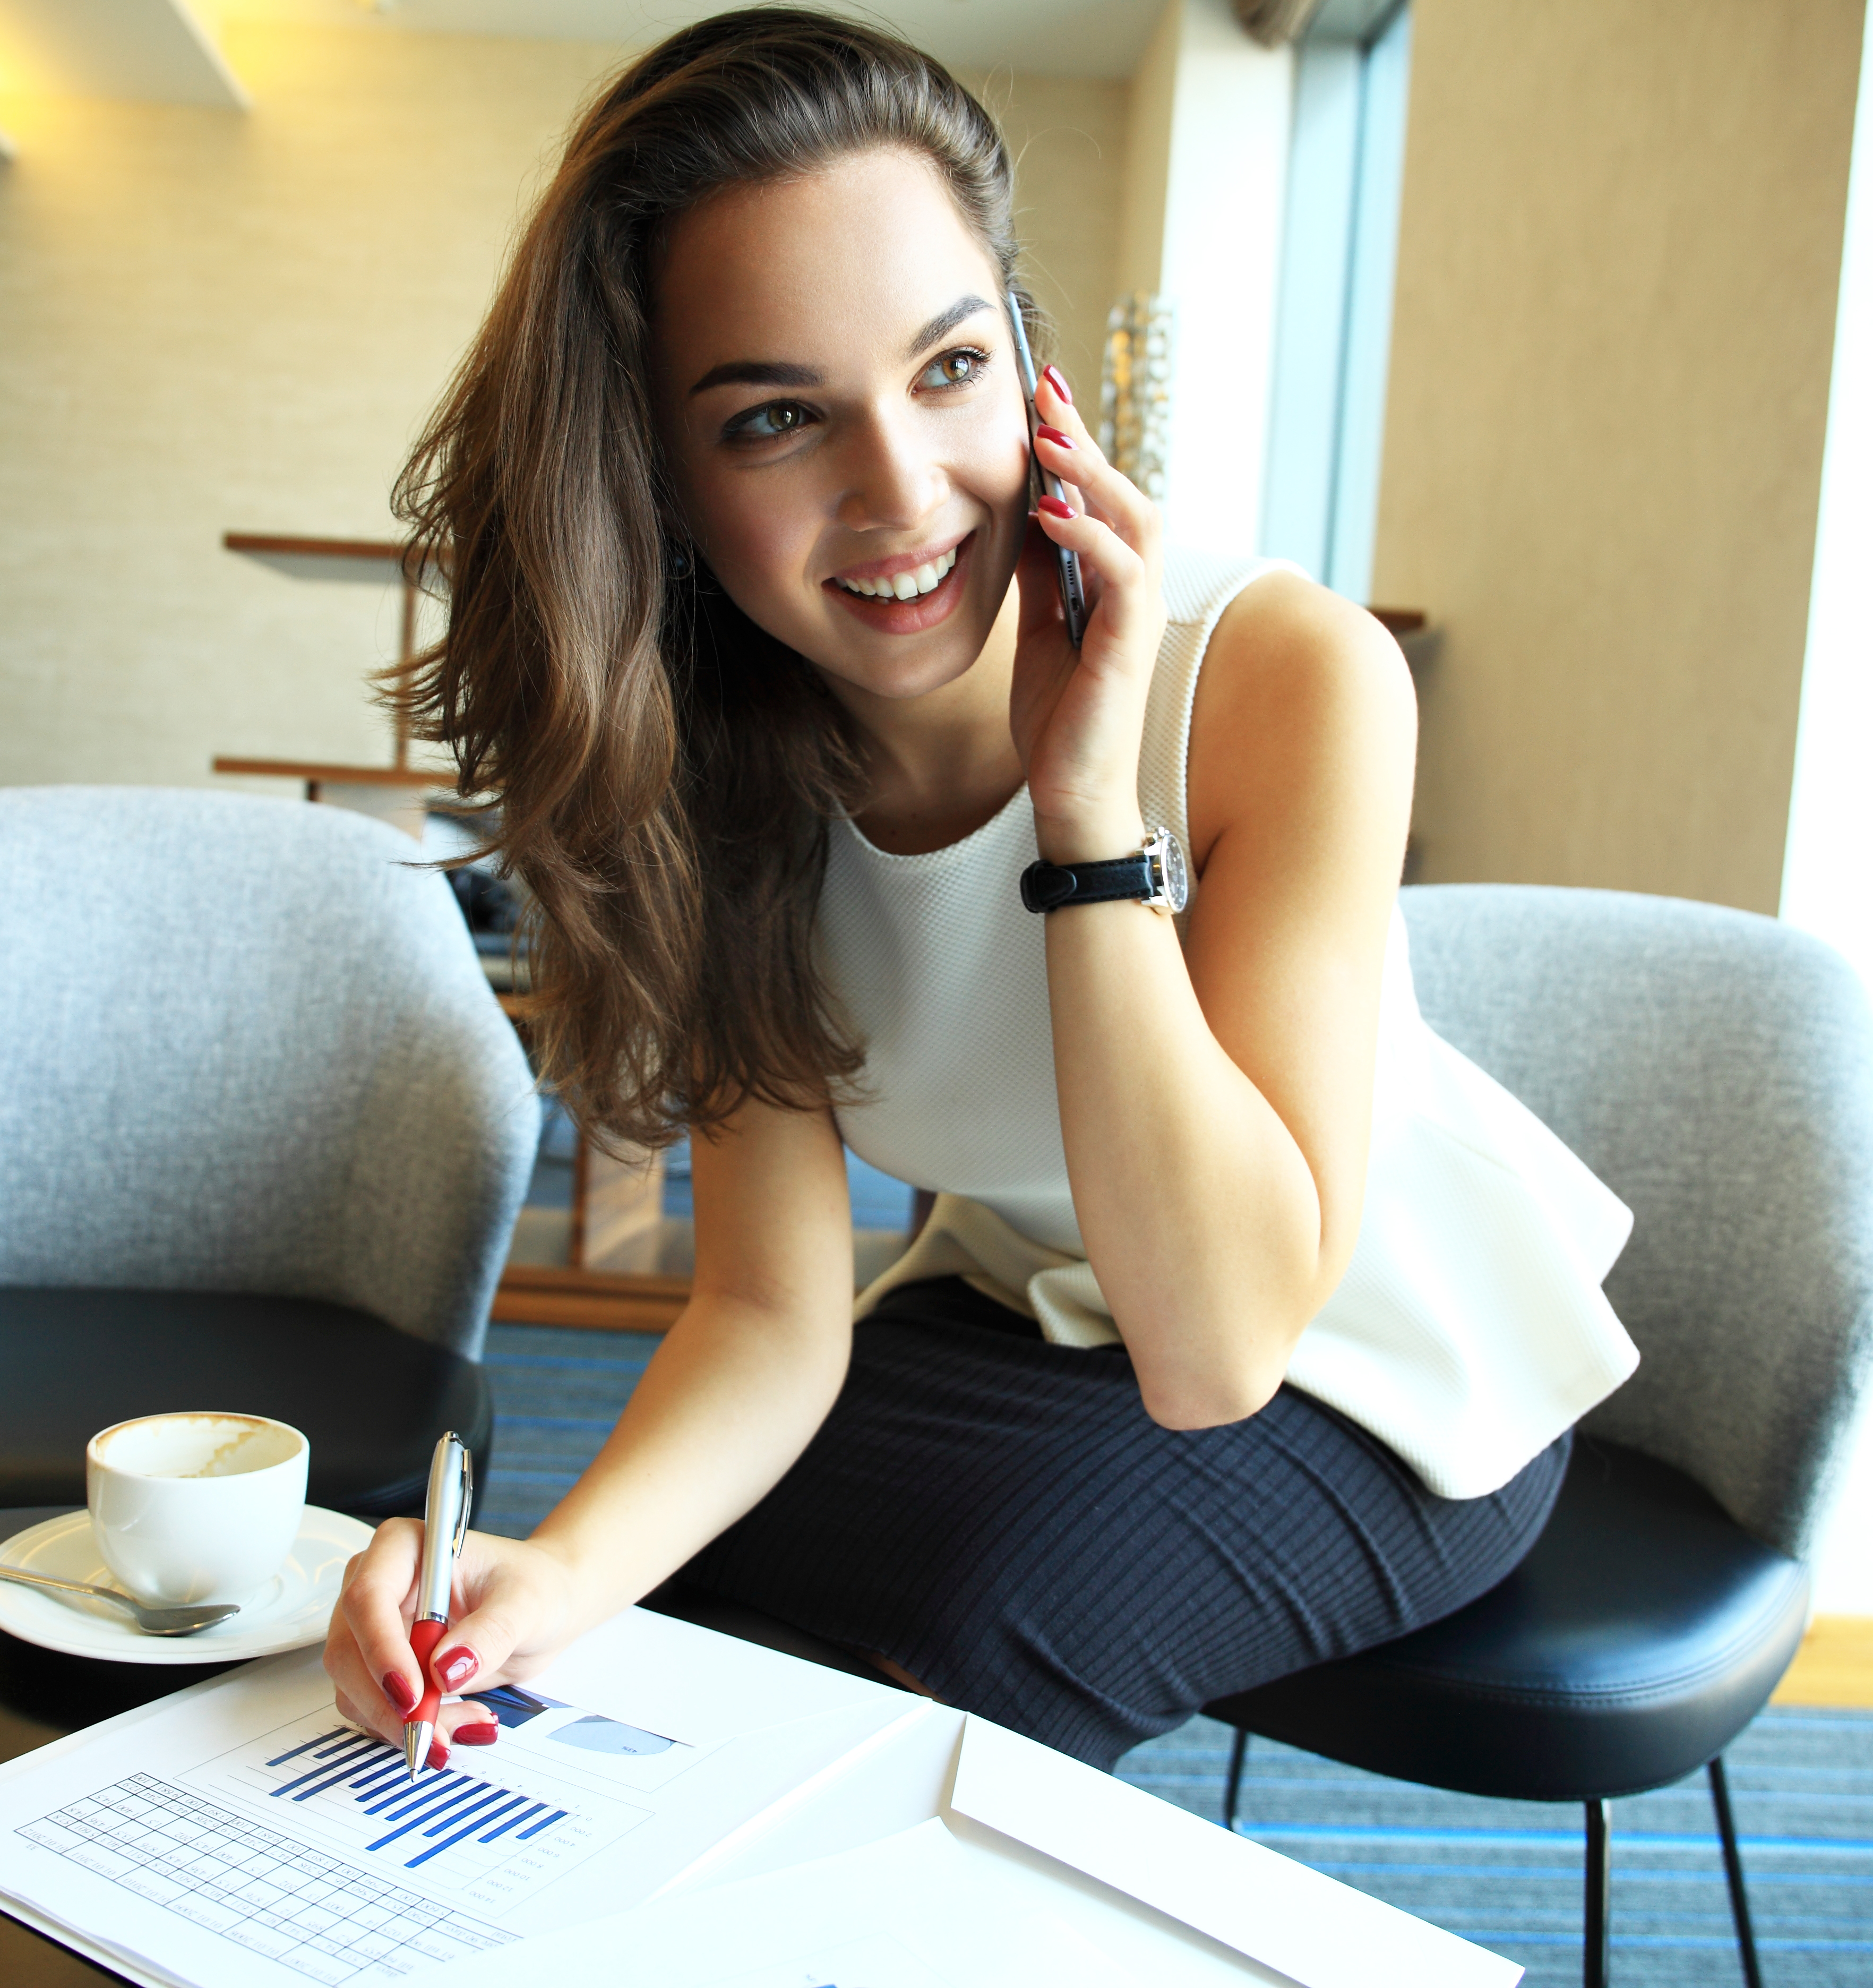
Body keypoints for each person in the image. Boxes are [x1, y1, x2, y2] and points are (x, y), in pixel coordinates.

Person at [325, 6, 1639, 1773]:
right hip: (1022, 1302)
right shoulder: (705, 771)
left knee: (945, 1660)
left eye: (946, 369)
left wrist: (1085, 802)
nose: (901, 494)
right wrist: (554, 1572)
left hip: (1373, 1362)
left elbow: (1219, 1347)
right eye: (779, 417)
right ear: (658, 474)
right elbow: (772, 1308)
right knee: (682, 1641)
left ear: (1027, 364)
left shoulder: (1287, 680)